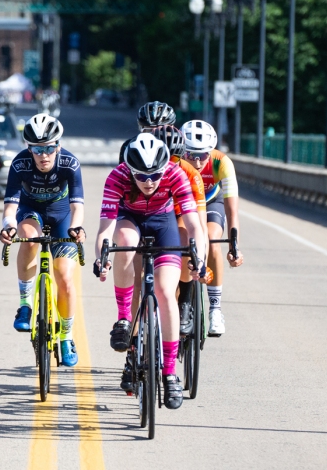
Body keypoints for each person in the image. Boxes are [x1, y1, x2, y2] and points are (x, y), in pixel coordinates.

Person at [94, 133, 206, 410]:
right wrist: (101, 259)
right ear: (130, 170)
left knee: (166, 292)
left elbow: (194, 226)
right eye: (141, 176)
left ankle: (169, 373)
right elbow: (105, 230)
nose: (148, 182)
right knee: (126, 244)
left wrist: (200, 260)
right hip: (130, 219)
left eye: (154, 175)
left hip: (162, 222)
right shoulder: (117, 176)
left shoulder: (175, 174)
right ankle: (123, 318)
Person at [0, 113, 85, 367]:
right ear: (29, 148)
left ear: (58, 145)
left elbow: (77, 205)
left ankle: (67, 337)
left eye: (49, 148)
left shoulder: (70, 163)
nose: (43, 155)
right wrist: (8, 227)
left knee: (65, 278)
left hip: (61, 214)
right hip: (30, 210)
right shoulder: (20, 164)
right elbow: (9, 207)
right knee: (29, 237)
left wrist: (77, 226)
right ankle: (25, 304)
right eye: (37, 149)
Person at [180, 120, 245, 337]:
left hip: (210, 202)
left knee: (211, 238)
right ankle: (180, 300)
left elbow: (232, 210)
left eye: (203, 155)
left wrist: (234, 245)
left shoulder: (221, 162)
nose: (197, 161)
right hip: (184, 204)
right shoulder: (175, 161)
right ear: (182, 151)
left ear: (212, 152)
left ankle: (215, 308)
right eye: (191, 155)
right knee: (181, 242)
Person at [151, 125, 209, 336]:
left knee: (185, 237)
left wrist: (201, 261)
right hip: (151, 214)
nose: (169, 165)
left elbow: (200, 225)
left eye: (175, 159)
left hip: (179, 214)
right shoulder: (144, 168)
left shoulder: (191, 174)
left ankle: (185, 299)